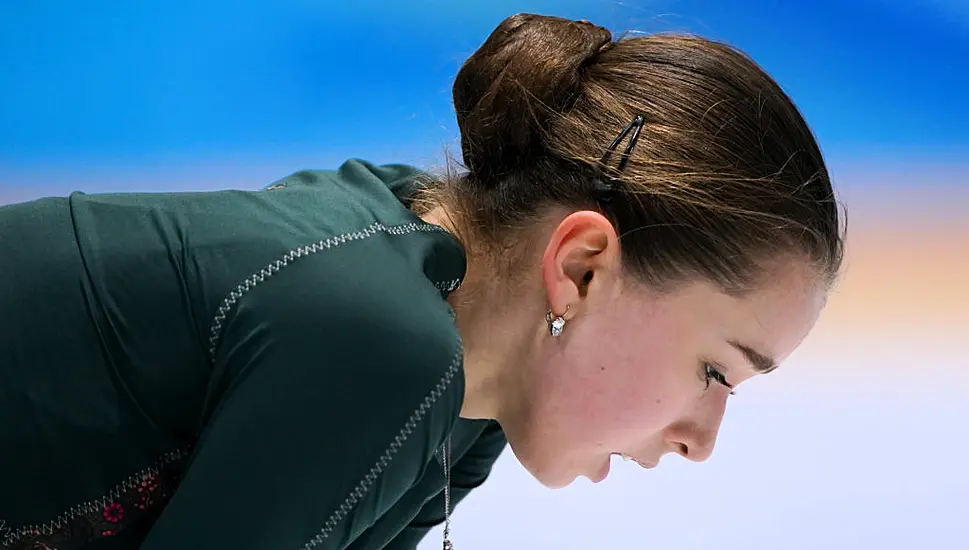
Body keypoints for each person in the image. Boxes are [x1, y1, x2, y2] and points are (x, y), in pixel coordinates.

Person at [0, 12, 844, 550]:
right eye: (714, 372)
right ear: (581, 270)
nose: (702, 439)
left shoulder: (464, 406)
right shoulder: (381, 342)